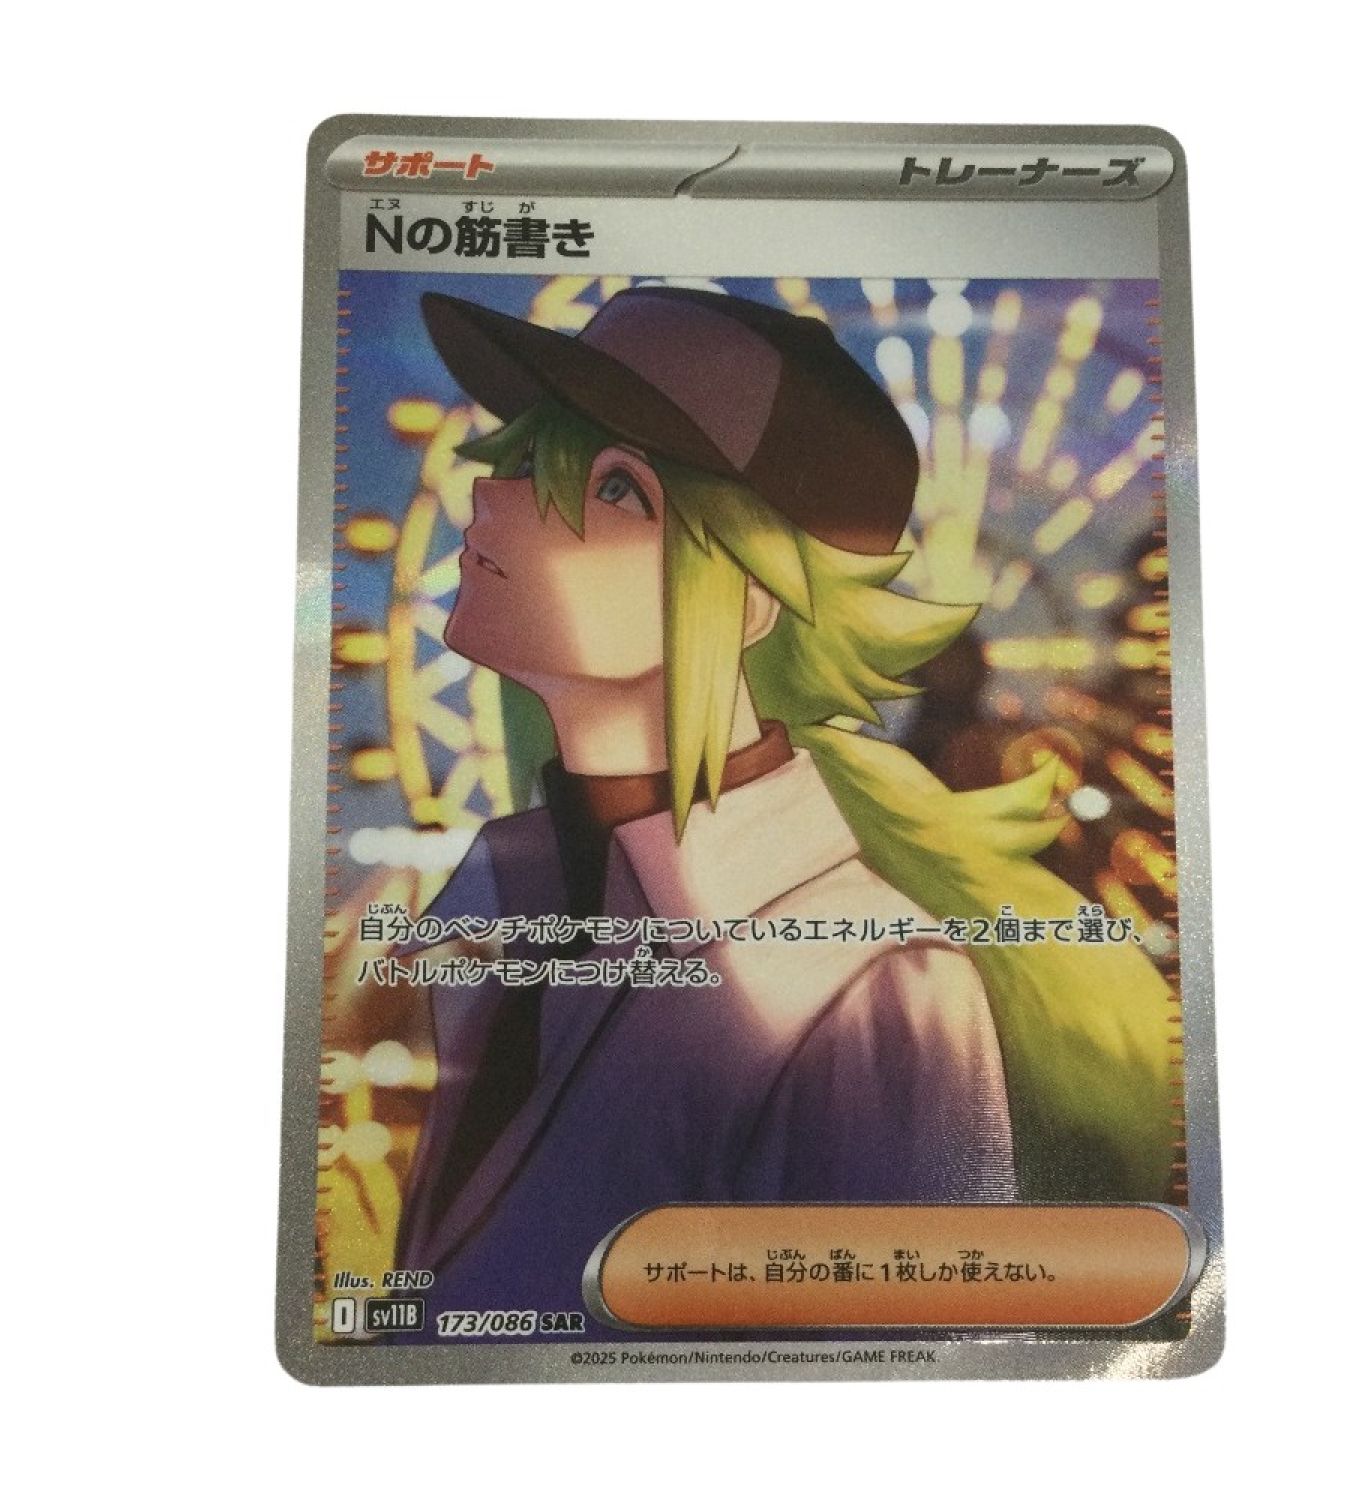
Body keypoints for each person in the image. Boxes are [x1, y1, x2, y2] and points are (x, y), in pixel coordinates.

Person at [394, 286, 1175, 1317]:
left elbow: (910, 1353)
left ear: (753, 601)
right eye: (530, 460)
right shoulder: (503, 900)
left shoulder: (877, 991)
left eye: (615, 488)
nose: (498, 501)